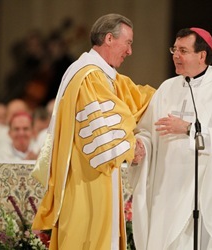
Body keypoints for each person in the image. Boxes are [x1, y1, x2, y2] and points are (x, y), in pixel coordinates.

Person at [31, 14, 154, 250]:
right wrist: (130, 147)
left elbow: (136, 98)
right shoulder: (89, 76)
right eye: (128, 43)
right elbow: (103, 131)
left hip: (90, 178)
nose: (130, 51)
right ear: (109, 38)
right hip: (87, 180)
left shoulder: (101, 74)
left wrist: (176, 94)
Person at [129, 28, 212, 249]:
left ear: (202, 56)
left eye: (183, 50)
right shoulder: (166, 88)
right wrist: (142, 145)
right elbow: (148, 130)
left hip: (202, 195)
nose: (175, 55)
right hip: (167, 191)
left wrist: (189, 129)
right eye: (174, 49)